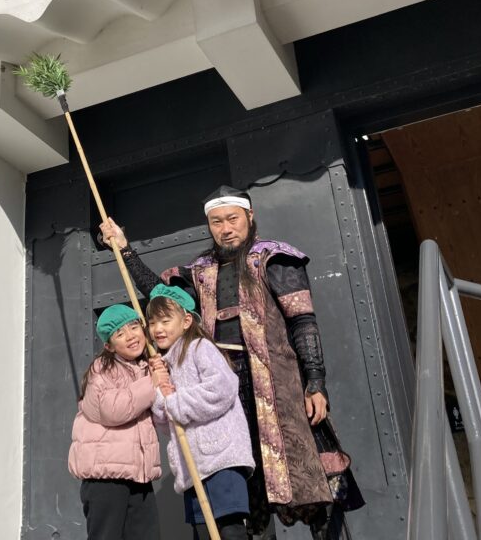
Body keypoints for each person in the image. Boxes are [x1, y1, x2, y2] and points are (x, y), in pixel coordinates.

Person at [102, 185, 363, 539]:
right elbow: (162, 298)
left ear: (249, 217)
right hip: (226, 390)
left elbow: (303, 322)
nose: (225, 228)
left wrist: (315, 381)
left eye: (232, 219)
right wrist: (125, 250)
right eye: (217, 222)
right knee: (247, 488)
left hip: (280, 387)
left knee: (312, 478)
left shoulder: (275, 258)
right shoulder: (201, 271)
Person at [146, 283, 255, 540]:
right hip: (192, 467)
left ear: (186, 321)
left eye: (165, 321)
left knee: (230, 531)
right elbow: (165, 422)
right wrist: (159, 392)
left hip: (220, 459)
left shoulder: (199, 347)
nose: (157, 329)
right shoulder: (165, 366)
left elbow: (222, 388)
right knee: (203, 533)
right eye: (152, 323)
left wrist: (176, 402)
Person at [68, 304, 163, 540]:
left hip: (138, 475)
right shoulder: (102, 369)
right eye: (120, 334)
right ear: (109, 346)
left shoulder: (147, 368)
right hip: (106, 477)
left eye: (134, 327)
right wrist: (152, 382)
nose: (130, 336)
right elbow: (113, 410)